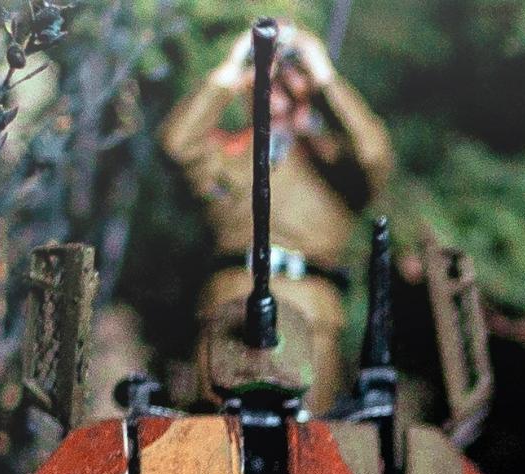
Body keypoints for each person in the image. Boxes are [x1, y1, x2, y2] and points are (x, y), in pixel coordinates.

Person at [160, 25, 394, 414]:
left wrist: (325, 79)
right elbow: (177, 145)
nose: (279, 86)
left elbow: (374, 154)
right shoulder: (228, 161)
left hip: (312, 310)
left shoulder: (336, 166)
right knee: (217, 435)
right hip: (230, 305)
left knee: (306, 439)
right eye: (269, 75)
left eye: (291, 75)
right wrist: (231, 71)